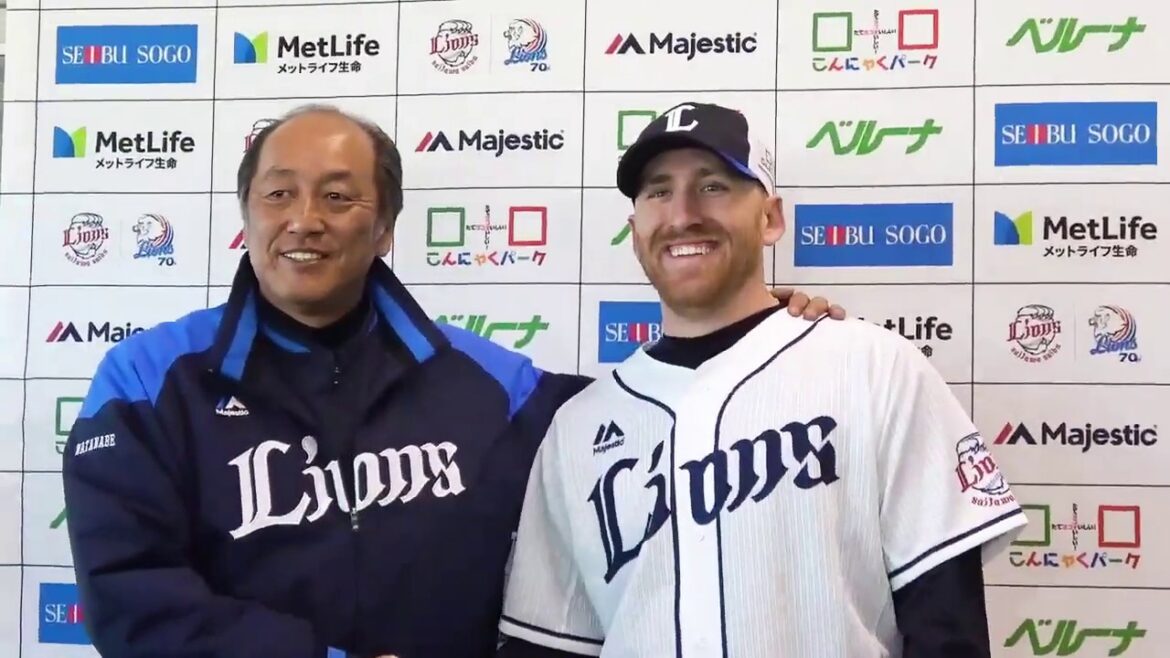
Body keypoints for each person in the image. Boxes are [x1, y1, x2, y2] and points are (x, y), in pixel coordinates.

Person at [60, 103, 845, 658]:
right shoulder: (146, 381)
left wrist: (753, 331)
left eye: (339, 196)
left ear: (384, 228)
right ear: (247, 213)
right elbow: (130, 596)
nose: (305, 218)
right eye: (279, 193)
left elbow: (657, 414)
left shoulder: (494, 386)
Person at [496, 102, 1028, 658]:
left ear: (770, 218)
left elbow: (948, 627)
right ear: (635, 232)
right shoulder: (579, 427)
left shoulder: (874, 368)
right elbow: (550, 646)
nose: (682, 214)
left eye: (713, 186)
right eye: (658, 192)